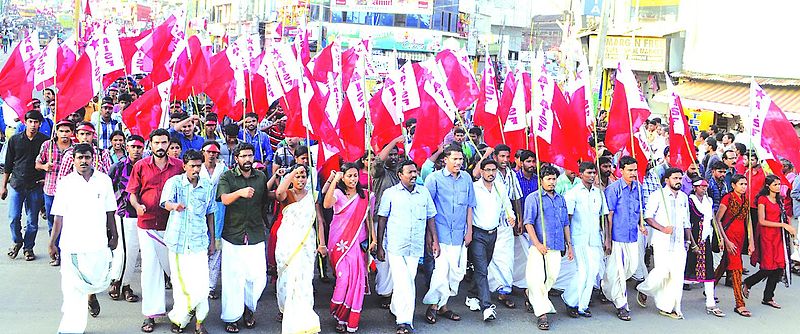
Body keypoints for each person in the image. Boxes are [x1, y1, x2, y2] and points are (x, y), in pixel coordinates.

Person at [48, 143, 118, 333]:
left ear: (93, 158)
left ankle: (87, 304)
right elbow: (58, 216)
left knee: (92, 283)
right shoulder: (66, 183)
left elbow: (110, 210)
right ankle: (71, 328)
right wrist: (52, 242)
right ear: (74, 160)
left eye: (87, 157)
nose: (84, 161)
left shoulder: (103, 180)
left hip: (96, 243)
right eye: (80, 158)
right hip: (72, 244)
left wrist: (114, 235)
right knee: (71, 289)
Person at [127, 129, 185, 333]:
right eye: (156, 143)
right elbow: (132, 193)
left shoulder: (179, 166)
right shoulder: (141, 166)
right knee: (150, 270)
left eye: (164, 142)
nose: (160, 147)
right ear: (150, 145)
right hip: (148, 224)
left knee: (176, 271)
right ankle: (151, 314)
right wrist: (137, 207)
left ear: (169, 144)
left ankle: (181, 314)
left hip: (173, 226)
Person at [376, 159, 438, 334]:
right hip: (395, 245)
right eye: (409, 172)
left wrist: (434, 240)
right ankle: (404, 322)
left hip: (415, 245)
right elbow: (382, 219)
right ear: (400, 175)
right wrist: (379, 246)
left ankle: (395, 308)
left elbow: (430, 217)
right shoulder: (390, 193)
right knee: (405, 283)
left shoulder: (423, 192)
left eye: (415, 171)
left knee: (408, 279)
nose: (413, 174)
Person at [160, 149, 217, 334]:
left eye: (198, 166)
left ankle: (200, 321)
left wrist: (212, 241)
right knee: (180, 283)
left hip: (199, 241)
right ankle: (180, 319)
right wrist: (174, 206)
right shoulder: (174, 183)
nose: (195, 169)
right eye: (192, 166)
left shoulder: (207, 186)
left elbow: (210, 213)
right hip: (178, 242)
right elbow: (165, 203)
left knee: (201, 283)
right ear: (184, 166)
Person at [217, 143, 269, 333]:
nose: (248, 159)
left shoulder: (261, 176)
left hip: (255, 233)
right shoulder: (227, 177)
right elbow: (224, 199)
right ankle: (232, 316)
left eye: (250, 156)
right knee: (233, 278)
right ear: (236, 158)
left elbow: (265, 201)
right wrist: (239, 193)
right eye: (243, 156)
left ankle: (249, 307)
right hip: (233, 234)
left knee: (258, 277)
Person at [422, 145, 476, 324]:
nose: (459, 162)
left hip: (460, 234)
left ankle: (443, 305)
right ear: (445, 159)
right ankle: (434, 307)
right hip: (441, 233)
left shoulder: (466, 178)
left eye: (461, 159)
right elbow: (428, 211)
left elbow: (469, 205)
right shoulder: (434, 179)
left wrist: (469, 230)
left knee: (456, 273)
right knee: (441, 272)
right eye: (455, 159)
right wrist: (431, 238)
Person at [322, 163, 377, 332]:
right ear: (343, 177)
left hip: (358, 241)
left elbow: (368, 219)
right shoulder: (338, 193)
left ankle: (347, 318)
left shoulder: (365, 195)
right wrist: (334, 180)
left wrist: (374, 239)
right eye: (349, 176)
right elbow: (326, 204)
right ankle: (338, 312)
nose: (353, 179)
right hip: (340, 242)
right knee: (344, 277)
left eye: (355, 175)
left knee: (357, 280)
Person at [472, 144, 523, 308]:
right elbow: (474, 174)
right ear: (495, 157)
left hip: (503, 227)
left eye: (508, 157)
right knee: (485, 264)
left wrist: (515, 217)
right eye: (502, 156)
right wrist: (485, 154)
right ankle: (485, 299)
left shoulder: (509, 177)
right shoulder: (476, 186)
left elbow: (513, 199)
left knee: (505, 260)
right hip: (481, 230)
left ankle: (503, 292)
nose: (505, 160)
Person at [635, 168, 690, 319]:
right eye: (675, 178)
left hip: (679, 243)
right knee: (663, 273)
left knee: (677, 277)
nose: (678, 181)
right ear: (667, 180)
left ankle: (670, 308)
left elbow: (686, 221)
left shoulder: (684, 197)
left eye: (680, 178)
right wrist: (663, 228)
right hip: (662, 242)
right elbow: (648, 217)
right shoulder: (658, 195)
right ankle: (644, 288)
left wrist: (689, 240)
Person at [523, 165, 572, 330]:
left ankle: (530, 295)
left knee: (551, 277)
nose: (552, 182)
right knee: (536, 279)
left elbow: (565, 223)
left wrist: (569, 245)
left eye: (554, 179)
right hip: (539, 246)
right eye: (548, 179)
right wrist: (537, 243)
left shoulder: (560, 199)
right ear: (541, 180)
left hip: (556, 245)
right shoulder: (533, 198)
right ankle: (542, 314)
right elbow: (528, 222)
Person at [274, 164, 321, 333]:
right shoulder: (288, 195)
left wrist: (321, 243)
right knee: (286, 277)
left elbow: (319, 220)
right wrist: (293, 171)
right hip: (287, 242)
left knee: (304, 279)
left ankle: (305, 316)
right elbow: (279, 193)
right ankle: (285, 309)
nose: (300, 180)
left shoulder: (312, 196)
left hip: (306, 244)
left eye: (303, 176)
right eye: (297, 176)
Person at [469, 159, 515, 321]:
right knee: (482, 269)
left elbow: (507, 205)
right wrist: (468, 232)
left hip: (493, 233)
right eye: (487, 170)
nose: (491, 173)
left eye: (493, 170)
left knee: (484, 266)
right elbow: (468, 210)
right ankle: (487, 306)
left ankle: (473, 293)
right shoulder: (474, 188)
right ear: (481, 171)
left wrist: (512, 216)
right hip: (477, 234)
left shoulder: (499, 187)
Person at [602, 156, 646, 321]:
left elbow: (640, 209)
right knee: (620, 272)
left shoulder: (638, 188)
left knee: (630, 267)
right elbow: (609, 216)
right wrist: (608, 239)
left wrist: (641, 224)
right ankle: (622, 305)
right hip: (617, 237)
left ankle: (606, 287)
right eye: (630, 170)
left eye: (635, 170)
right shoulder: (613, 189)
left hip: (633, 236)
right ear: (621, 170)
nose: (633, 173)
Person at [743, 175, 796, 310]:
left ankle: (768, 297)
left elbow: (783, 216)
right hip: (766, 236)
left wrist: (787, 226)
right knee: (768, 267)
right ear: (768, 186)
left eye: (779, 185)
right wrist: (783, 225)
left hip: (778, 236)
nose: (778, 187)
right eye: (775, 185)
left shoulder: (779, 200)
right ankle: (748, 282)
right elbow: (762, 221)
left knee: (779, 267)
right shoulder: (762, 199)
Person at [562, 162, 608, 318]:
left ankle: (582, 305)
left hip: (595, 238)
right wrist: (568, 243)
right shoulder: (572, 193)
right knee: (582, 271)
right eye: (588, 173)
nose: (592, 175)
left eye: (594, 173)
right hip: (578, 238)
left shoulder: (599, 193)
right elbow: (567, 219)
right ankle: (570, 301)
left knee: (593, 271)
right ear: (580, 174)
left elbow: (604, 217)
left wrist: (607, 239)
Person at [2, 110, 48, 261]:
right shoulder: (15, 140)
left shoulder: (45, 141)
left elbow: (48, 163)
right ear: (25, 122)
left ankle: (28, 248)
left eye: (36, 122)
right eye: (30, 122)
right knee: (13, 217)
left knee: (32, 221)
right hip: (17, 183)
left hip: (35, 185)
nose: (33, 125)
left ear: (40, 124)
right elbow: (8, 164)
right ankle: (17, 241)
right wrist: (3, 186)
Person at [107, 135, 145, 303]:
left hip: (143, 214)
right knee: (123, 251)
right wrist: (119, 202)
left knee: (133, 251)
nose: (136, 150)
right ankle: (117, 282)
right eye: (133, 147)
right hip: (124, 214)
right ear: (126, 148)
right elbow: (109, 189)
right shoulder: (118, 166)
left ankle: (125, 284)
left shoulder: (147, 166)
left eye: (139, 147)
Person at [371, 136, 405, 308]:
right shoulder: (379, 171)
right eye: (390, 154)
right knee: (382, 258)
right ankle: (385, 292)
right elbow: (378, 160)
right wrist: (394, 141)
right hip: (380, 221)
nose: (392, 157)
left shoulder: (401, 174)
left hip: (398, 222)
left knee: (396, 258)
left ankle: (395, 292)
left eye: (395, 154)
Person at [684, 178, 726, 317]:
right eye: (701, 187)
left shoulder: (708, 201)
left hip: (705, 238)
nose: (704, 189)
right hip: (691, 239)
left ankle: (710, 303)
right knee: (682, 271)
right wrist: (692, 243)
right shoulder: (688, 201)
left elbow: (712, 220)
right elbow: (686, 223)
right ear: (695, 187)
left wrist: (719, 238)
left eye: (705, 187)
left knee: (708, 271)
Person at [714, 174, 754, 317]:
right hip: (729, 236)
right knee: (737, 268)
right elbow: (718, 220)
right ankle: (740, 304)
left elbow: (748, 222)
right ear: (733, 185)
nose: (744, 186)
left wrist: (751, 242)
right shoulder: (728, 198)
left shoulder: (745, 199)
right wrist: (726, 240)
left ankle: (709, 286)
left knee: (725, 263)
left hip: (741, 236)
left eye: (745, 184)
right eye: (741, 184)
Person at [36, 120, 74, 266]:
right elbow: (37, 163)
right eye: (61, 131)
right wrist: (45, 166)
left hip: (69, 193)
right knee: (53, 222)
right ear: (56, 132)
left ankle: (67, 252)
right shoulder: (48, 145)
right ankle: (56, 251)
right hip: (51, 190)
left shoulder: (75, 150)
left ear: (72, 133)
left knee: (68, 223)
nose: (64, 134)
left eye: (67, 131)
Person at [200, 141, 228, 300]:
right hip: (200, 210)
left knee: (216, 248)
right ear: (203, 152)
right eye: (208, 152)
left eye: (214, 152)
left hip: (219, 210)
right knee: (201, 248)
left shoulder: (223, 169)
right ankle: (200, 283)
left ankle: (211, 286)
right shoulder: (198, 168)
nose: (211, 155)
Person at [515, 150, 539, 292]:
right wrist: (519, 219)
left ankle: (532, 286)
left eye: (533, 161)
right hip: (519, 225)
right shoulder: (515, 178)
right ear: (521, 163)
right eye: (528, 161)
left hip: (535, 224)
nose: (531, 164)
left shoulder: (538, 180)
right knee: (521, 258)